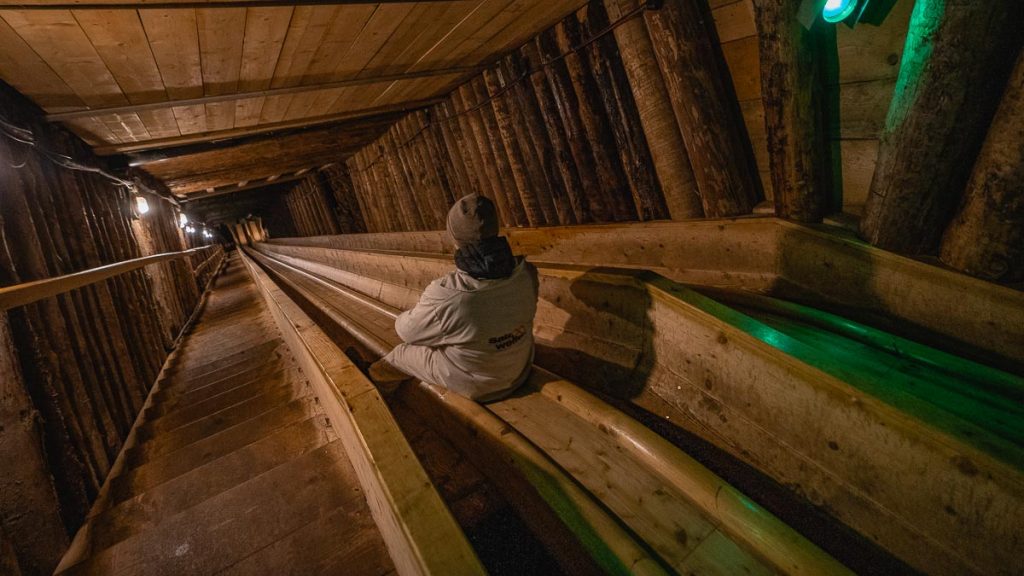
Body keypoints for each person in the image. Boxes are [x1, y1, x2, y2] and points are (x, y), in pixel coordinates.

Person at [369, 194, 538, 402]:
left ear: (454, 237)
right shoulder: (526, 273)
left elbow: (407, 332)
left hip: (480, 384)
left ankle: (374, 387)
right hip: (519, 369)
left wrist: (406, 317)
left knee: (402, 354)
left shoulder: (449, 294)